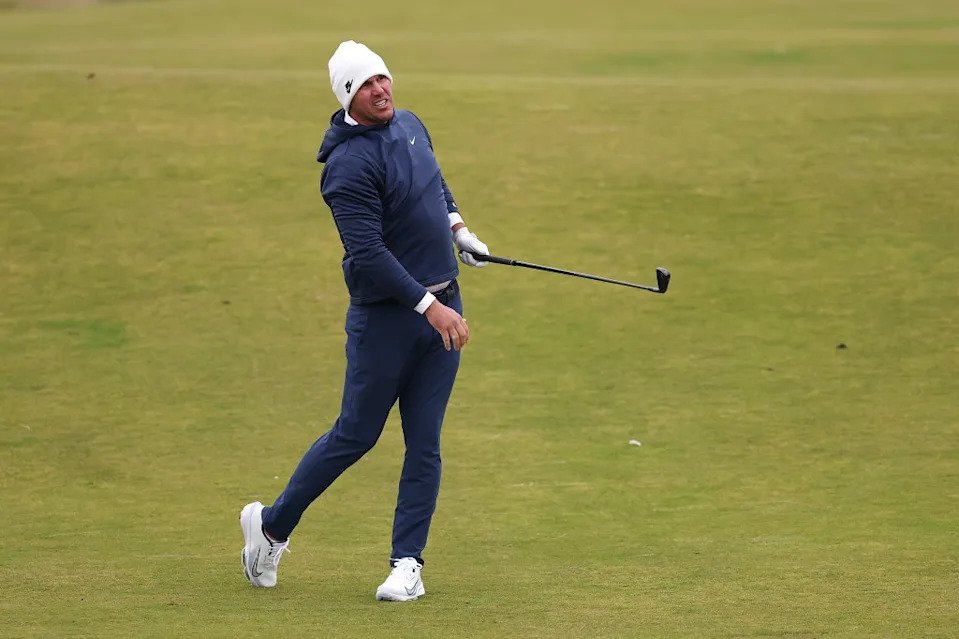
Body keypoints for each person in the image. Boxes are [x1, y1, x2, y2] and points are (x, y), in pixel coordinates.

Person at [239, 40, 491, 602]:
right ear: (348, 97)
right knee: (356, 434)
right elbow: (370, 254)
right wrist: (430, 307)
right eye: (366, 85)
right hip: (387, 323)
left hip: (442, 309)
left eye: (383, 78)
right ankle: (271, 528)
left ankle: (407, 564)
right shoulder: (347, 166)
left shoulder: (411, 123)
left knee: (424, 442)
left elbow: (434, 180)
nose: (381, 90)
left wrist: (458, 230)